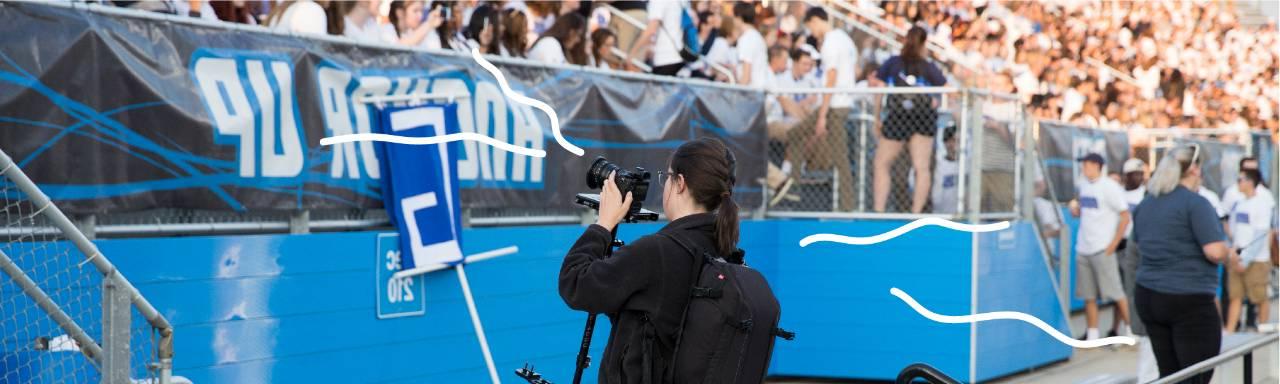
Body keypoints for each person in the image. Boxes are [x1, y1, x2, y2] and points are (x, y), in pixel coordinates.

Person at [560, 138, 741, 382]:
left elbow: (575, 283)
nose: (665, 184)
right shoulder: (726, 253)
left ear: (680, 183)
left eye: (667, 176)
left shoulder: (656, 252)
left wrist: (603, 224)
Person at [1133, 145, 1240, 383]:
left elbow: (1140, 244)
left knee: (1169, 373)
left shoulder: (1147, 204)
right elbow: (1213, 251)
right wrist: (1228, 252)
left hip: (1149, 295)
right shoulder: (1196, 204)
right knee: (1196, 374)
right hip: (1187, 299)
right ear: (1194, 169)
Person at [774, 7, 856, 211]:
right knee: (795, 134)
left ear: (817, 20)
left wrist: (822, 115)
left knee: (840, 159)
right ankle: (792, 186)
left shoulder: (831, 42)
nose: (810, 32)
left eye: (810, 26)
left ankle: (847, 208)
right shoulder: (844, 38)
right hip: (839, 102)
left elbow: (831, 77)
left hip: (834, 106)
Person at [872, 26, 946, 213]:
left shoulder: (893, 63)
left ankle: (879, 210)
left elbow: (879, 91)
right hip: (922, 118)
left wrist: (877, 117)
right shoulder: (928, 66)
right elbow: (946, 88)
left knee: (882, 164)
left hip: (898, 117)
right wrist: (935, 101)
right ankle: (916, 213)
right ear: (924, 44)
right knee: (921, 167)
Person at [1069, 153, 1133, 341]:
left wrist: (1113, 244)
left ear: (1097, 165)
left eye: (1087, 164)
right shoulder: (1083, 186)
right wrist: (1076, 210)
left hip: (1102, 247)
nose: (1084, 168)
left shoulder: (1110, 187)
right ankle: (1093, 334)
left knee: (1116, 292)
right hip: (1084, 247)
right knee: (1088, 295)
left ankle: (1132, 329)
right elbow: (1084, 212)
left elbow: (1124, 215)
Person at [1120, 158, 1158, 383]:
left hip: (1167, 294)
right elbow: (1133, 264)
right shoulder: (1144, 213)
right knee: (1149, 347)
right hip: (1149, 290)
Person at [1223, 169, 1275, 333]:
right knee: (1235, 296)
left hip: (1257, 261)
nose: (1238, 183)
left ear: (1251, 182)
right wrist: (1233, 252)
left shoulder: (1262, 203)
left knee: (1260, 297)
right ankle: (1230, 331)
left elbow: (1261, 235)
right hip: (1237, 259)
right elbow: (1234, 230)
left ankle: (1263, 330)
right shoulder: (1239, 203)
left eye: (1241, 179)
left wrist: (1245, 260)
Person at [627, 0, 686, 76]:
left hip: (666, 57)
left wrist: (632, 53)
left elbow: (652, 29)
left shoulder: (658, 2)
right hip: (679, 54)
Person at [729, 2, 769, 88]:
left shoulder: (747, 39)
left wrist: (736, 94)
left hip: (750, 93)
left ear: (739, 18)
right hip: (758, 90)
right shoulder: (756, 36)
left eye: (734, 16)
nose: (733, 20)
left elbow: (746, 77)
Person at [930, 123, 961, 214]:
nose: (955, 144)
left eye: (958, 141)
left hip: (963, 216)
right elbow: (936, 198)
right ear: (946, 142)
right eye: (952, 140)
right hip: (941, 215)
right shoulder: (938, 165)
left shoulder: (968, 164)